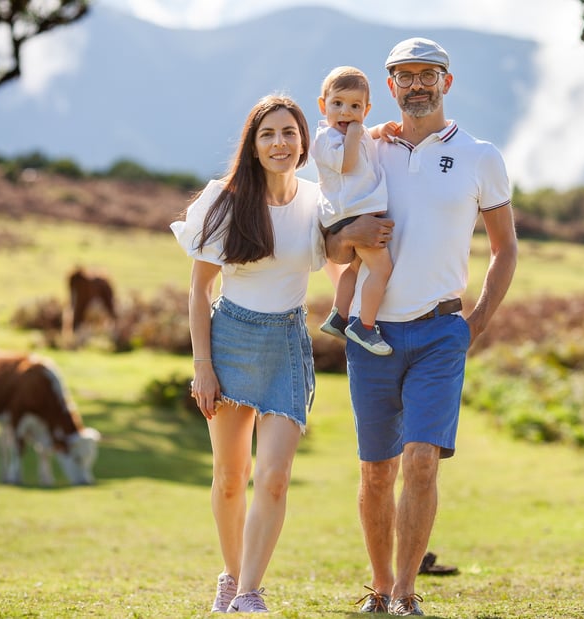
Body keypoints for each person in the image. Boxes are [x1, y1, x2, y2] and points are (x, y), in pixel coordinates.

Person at [325, 38, 518, 616]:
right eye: (403, 76)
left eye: (426, 75)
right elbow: (332, 242)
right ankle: (379, 589)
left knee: (422, 461)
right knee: (376, 470)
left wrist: (476, 322)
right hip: (372, 334)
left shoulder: (481, 156)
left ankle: (407, 592)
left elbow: (505, 249)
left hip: (440, 333)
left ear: (446, 83)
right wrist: (345, 240)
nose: (415, 84)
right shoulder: (370, 148)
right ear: (389, 87)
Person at [170, 94, 332, 614]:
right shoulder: (226, 200)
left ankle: (249, 594)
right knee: (230, 476)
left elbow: (345, 259)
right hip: (230, 340)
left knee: (276, 476)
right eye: (268, 134)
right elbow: (198, 290)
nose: (279, 143)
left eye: (289, 132)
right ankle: (231, 574)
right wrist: (203, 367)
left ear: (303, 141)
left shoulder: (317, 201)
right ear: (254, 145)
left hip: (287, 342)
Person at [311, 65, 398, 356]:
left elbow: (362, 138)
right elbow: (347, 164)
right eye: (338, 104)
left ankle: (339, 315)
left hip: (353, 210)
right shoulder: (326, 139)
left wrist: (376, 131)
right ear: (323, 105)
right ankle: (365, 326)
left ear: (366, 109)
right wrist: (357, 133)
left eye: (355, 107)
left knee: (357, 267)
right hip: (352, 212)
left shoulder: (352, 132)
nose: (346, 113)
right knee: (382, 269)